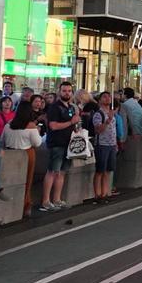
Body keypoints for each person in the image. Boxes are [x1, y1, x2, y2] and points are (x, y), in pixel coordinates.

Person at [38, 81, 78, 212]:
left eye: (69, 91)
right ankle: (45, 201)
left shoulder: (71, 107)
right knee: (52, 172)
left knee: (61, 172)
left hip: (68, 143)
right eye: (64, 91)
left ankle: (57, 199)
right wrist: (70, 122)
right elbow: (53, 126)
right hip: (57, 143)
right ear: (59, 92)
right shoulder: (55, 107)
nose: (67, 93)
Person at [2, 103, 43, 217]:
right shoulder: (31, 126)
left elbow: (2, 140)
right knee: (27, 181)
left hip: (10, 153)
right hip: (26, 154)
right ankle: (25, 204)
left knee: (10, 180)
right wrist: (38, 131)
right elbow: (37, 143)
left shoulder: (8, 124)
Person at [90, 92, 119, 203]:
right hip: (102, 144)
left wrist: (115, 143)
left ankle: (105, 192)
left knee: (108, 170)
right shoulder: (99, 114)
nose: (107, 99)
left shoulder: (111, 113)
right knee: (100, 170)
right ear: (99, 100)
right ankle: (97, 194)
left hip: (111, 144)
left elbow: (113, 130)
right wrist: (107, 121)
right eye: (104, 97)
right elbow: (98, 130)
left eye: (109, 97)